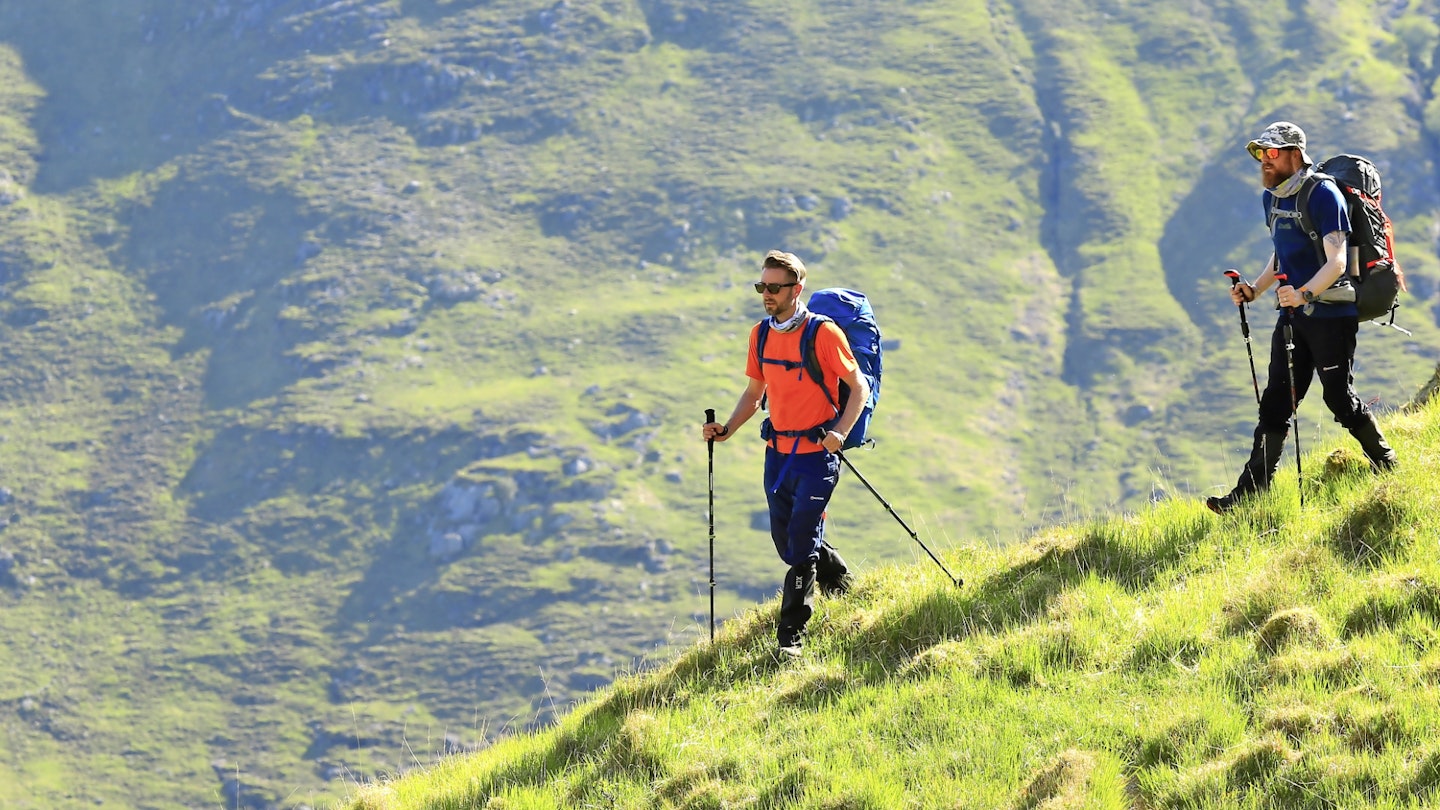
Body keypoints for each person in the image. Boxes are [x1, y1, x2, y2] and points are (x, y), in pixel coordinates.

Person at [1208, 121, 1397, 514]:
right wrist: (1255, 290)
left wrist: (1305, 292)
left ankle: (1388, 464)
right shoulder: (1272, 199)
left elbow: (1338, 260)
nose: (1265, 161)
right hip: (1293, 314)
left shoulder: (1323, 194)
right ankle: (1248, 496)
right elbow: (1282, 252)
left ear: (1296, 154)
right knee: (1276, 403)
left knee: (1339, 398)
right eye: (1260, 153)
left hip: (1331, 314)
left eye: (1273, 153)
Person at [702, 250, 870, 656]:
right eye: (762, 286)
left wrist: (840, 433)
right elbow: (754, 393)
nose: (766, 294)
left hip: (817, 456)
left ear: (797, 289)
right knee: (789, 540)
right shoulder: (759, 335)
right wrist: (726, 430)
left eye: (774, 287)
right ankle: (845, 586)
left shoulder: (823, 334)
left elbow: (859, 388)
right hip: (777, 455)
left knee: (799, 548)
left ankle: (790, 639)